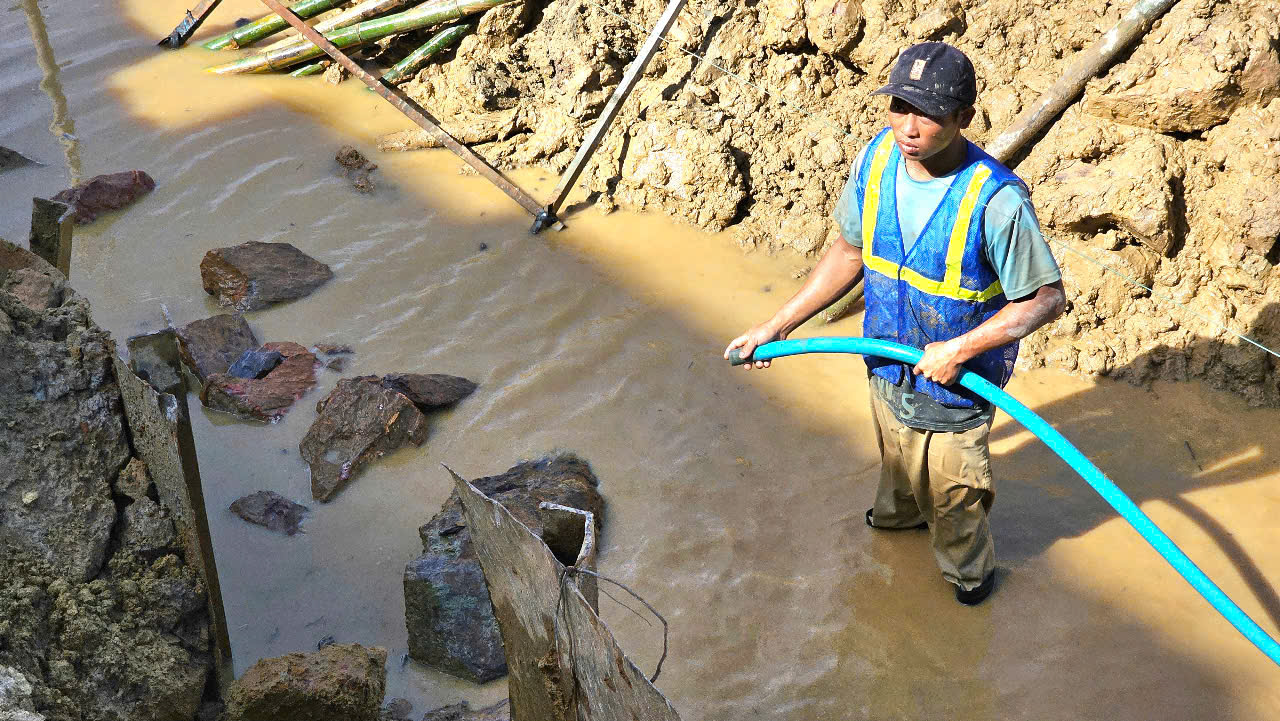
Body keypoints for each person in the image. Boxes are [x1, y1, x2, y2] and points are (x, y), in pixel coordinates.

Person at [724, 42, 1066, 605]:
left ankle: (969, 583)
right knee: (898, 473)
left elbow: (1045, 299)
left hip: (955, 389)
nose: (909, 126)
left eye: (928, 113)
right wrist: (776, 325)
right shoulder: (876, 162)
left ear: (963, 118)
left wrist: (960, 349)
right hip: (885, 363)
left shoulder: (995, 200)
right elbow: (847, 252)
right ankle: (900, 521)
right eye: (899, 106)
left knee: (955, 505)